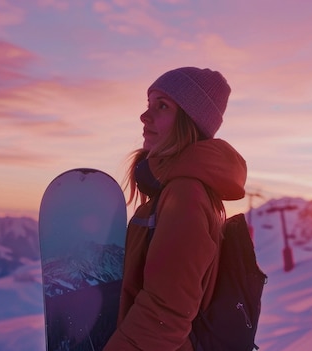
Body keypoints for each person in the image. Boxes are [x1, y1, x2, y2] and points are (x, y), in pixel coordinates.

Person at [104, 67, 248, 350]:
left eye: (162, 106)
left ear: (188, 121)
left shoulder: (185, 195)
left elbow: (164, 315)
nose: (145, 116)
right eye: (148, 105)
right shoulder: (176, 190)